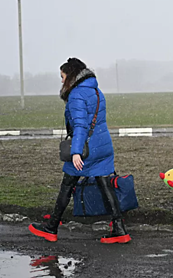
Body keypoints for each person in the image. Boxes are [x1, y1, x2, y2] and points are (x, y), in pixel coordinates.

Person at [29, 58, 130, 244]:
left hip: (86, 149)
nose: (61, 81)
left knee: (67, 184)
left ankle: (51, 227)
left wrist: (76, 152)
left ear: (71, 75)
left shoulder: (76, 95)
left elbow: (81, 126)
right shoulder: (96, 91)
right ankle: (119, 229)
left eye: (62, 76)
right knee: (105, 185)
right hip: (103, 145)